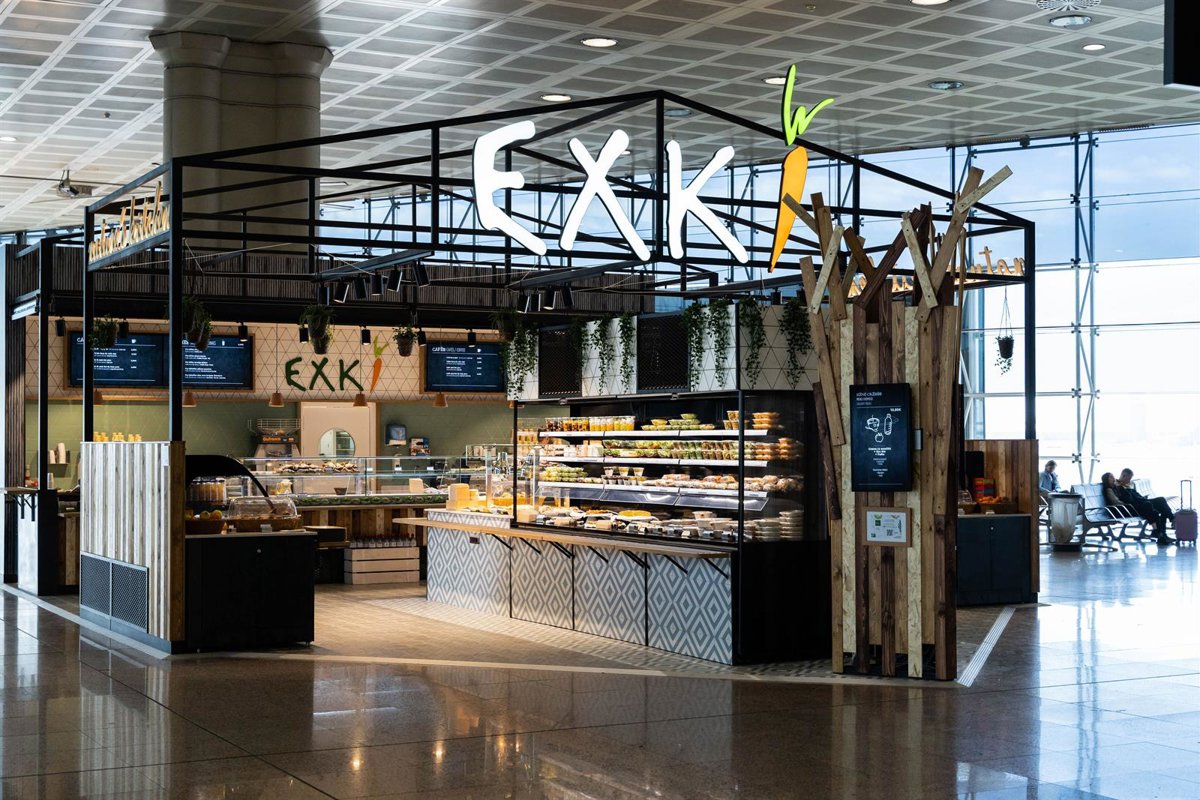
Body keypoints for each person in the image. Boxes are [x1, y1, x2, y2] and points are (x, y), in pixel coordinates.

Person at [1103, 471, 1169, 546]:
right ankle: (1159, 532)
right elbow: (1116, 502)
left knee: (1153, 510)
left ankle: (1159, 534)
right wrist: (1128, 504)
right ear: (1106, 480)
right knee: (1149, 507)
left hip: (1128, 508)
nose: (1114, 478)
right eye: (1111, 477)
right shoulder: (1109, 490)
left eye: (1113, 476)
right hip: (1123, 510)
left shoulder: (1116, 487)